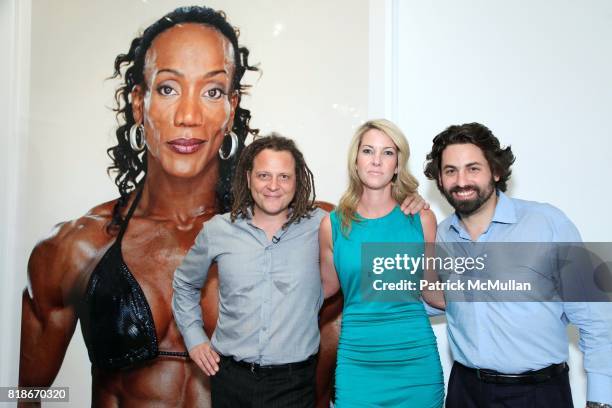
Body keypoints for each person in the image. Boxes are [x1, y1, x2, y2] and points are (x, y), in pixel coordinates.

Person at [19, 6, 259, 407]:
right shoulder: (76, 248)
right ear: (138, 102)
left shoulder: (286, 236)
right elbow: (23, 394)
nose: (188, 116)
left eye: (212, 91)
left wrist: (402, 204)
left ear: (231, 109)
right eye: (168, 88)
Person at [424, 122, 612, 408]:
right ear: (439, 179)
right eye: (451, 170)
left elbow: (596, 319)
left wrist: (601, 399)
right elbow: (424, 299)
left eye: (473, 168)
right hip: (465, 392)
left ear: (496, 171)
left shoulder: (547, 224)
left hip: (539, 394)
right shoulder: (441, 236)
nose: (461, 181)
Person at [173, 135, 325, 407]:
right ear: (248, 178)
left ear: (297, 180)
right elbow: (184, 284)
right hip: (230, 381)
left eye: (284, 177)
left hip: (294, 385)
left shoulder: (322, 226)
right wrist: (194, 338)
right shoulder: (218, 230)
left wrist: (412, 205)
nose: (273, 186)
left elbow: (371, 218)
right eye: (264, 175)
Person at [320, 119, 445, 407]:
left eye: (388, 153)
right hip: (357, 367)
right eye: (368, 151)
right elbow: (324, 289)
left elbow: (431, 291)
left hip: (416, 367)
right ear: (355, 160)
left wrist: (494, 295)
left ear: (398, 164)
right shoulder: (333, 225)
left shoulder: (421, 219)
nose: (376, 161)